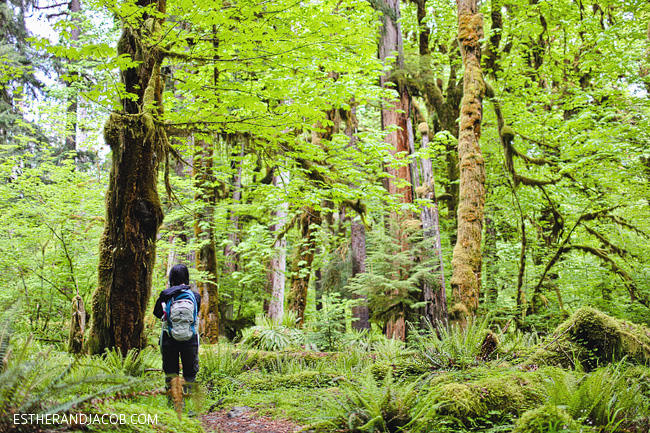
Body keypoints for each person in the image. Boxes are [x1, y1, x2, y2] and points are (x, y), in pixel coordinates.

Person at [153, 264, 201, 394]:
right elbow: (195, 314)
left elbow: (157, 314)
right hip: (190, 339)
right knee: (190, 373)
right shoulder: (195, 296)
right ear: (187, 277)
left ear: (171, 278)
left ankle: (173, 402)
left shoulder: (166, 295)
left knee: (171, 373)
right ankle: (190, 400)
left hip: (169, 339)